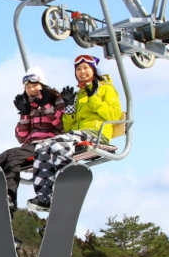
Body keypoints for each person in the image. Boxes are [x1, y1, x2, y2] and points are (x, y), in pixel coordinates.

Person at [28, 53, 122, 210]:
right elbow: (68, 128)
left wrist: (94, 98)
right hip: (77, 134)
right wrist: (69, 106)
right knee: (42, 147)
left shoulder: (106, 89)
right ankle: (44, 196)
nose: (82, 72)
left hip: (97, 133)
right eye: (78, 69)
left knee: (58, 147)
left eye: (86, 68)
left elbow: (114, 116)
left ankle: (68, 188)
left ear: (93, 70)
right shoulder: (78, 95)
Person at [0, 66, 64, 215]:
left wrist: (45, 106)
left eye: (35, 85)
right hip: (30, 144)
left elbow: (61, 125)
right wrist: (24, 114)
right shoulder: (29, 106)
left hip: (47, 144)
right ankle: (0, 198)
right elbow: (21, 137)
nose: (32, 89)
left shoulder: (56, 100)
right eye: (28, 87)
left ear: (42, 85)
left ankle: (9, 195)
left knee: (13, 157)